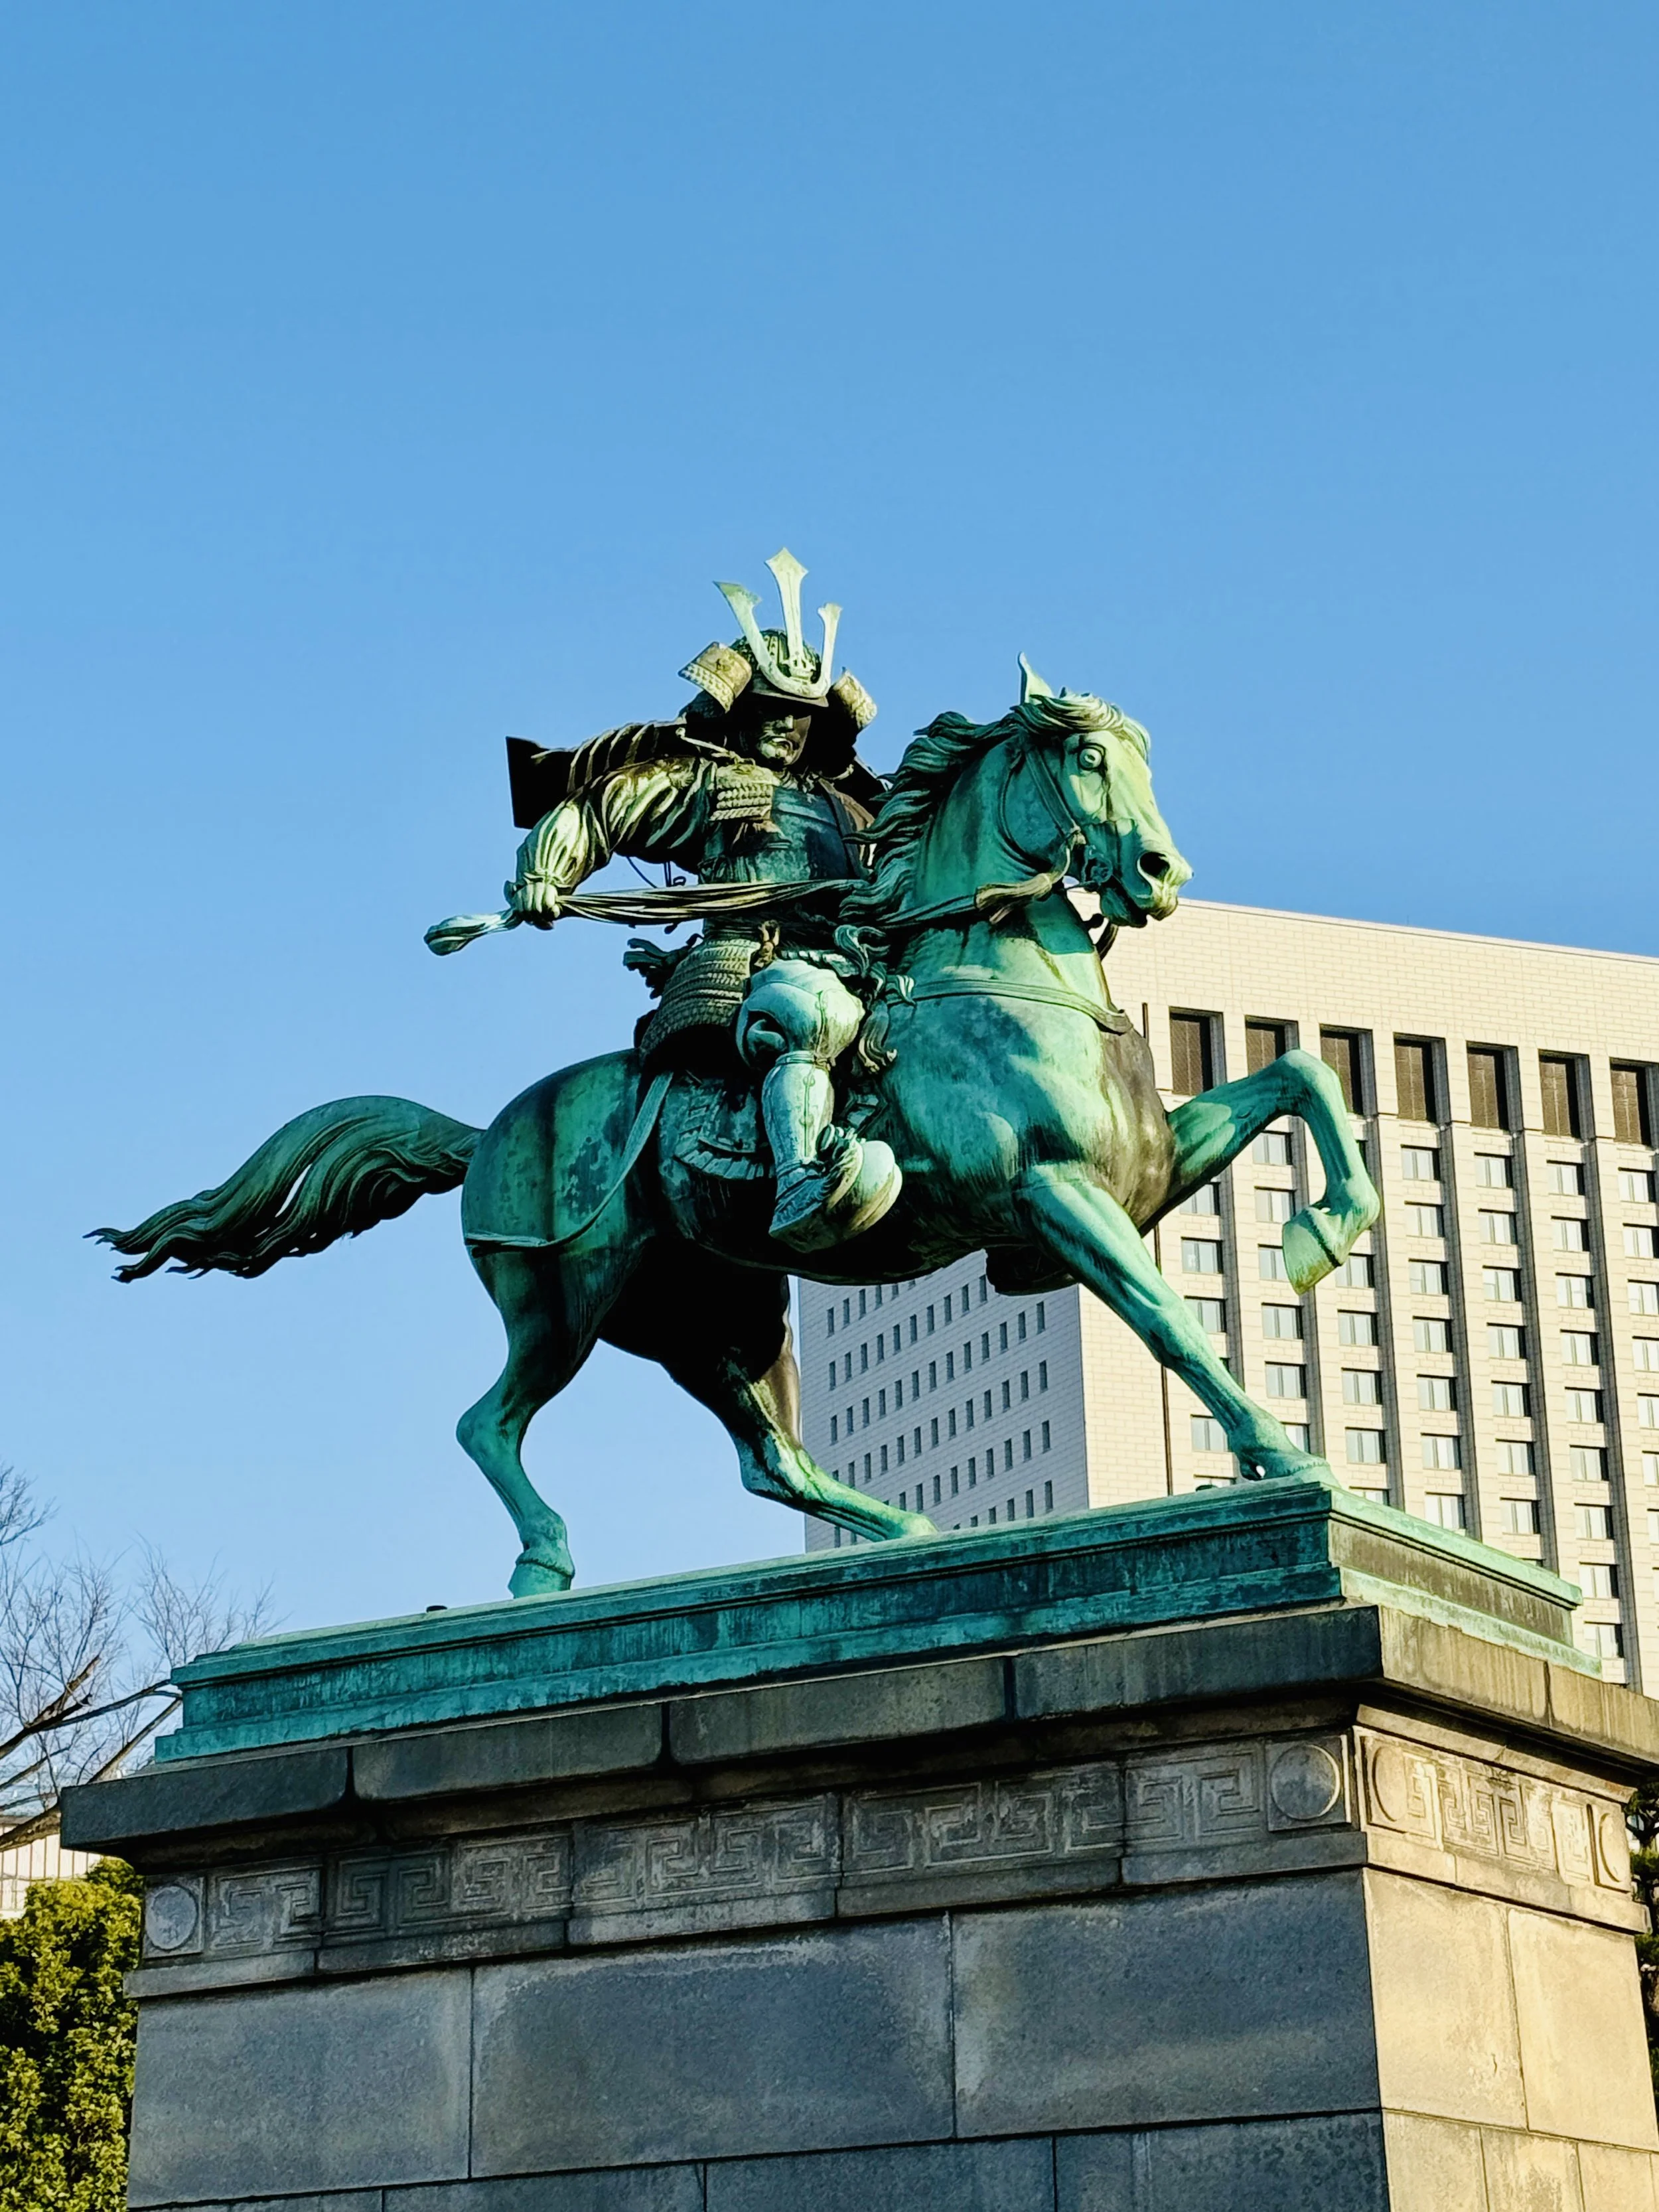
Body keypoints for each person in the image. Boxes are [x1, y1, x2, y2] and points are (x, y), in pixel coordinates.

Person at [502, 551, 902, 1252]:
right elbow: (600, 811)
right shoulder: (715, 787)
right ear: (739, 714)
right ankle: (803, 1174)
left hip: (852, 962)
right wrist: (546, 869)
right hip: (754, 962)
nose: (784, 725)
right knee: (805, 1015)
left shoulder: (854, 810)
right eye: (768, 710)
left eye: (798, 715)